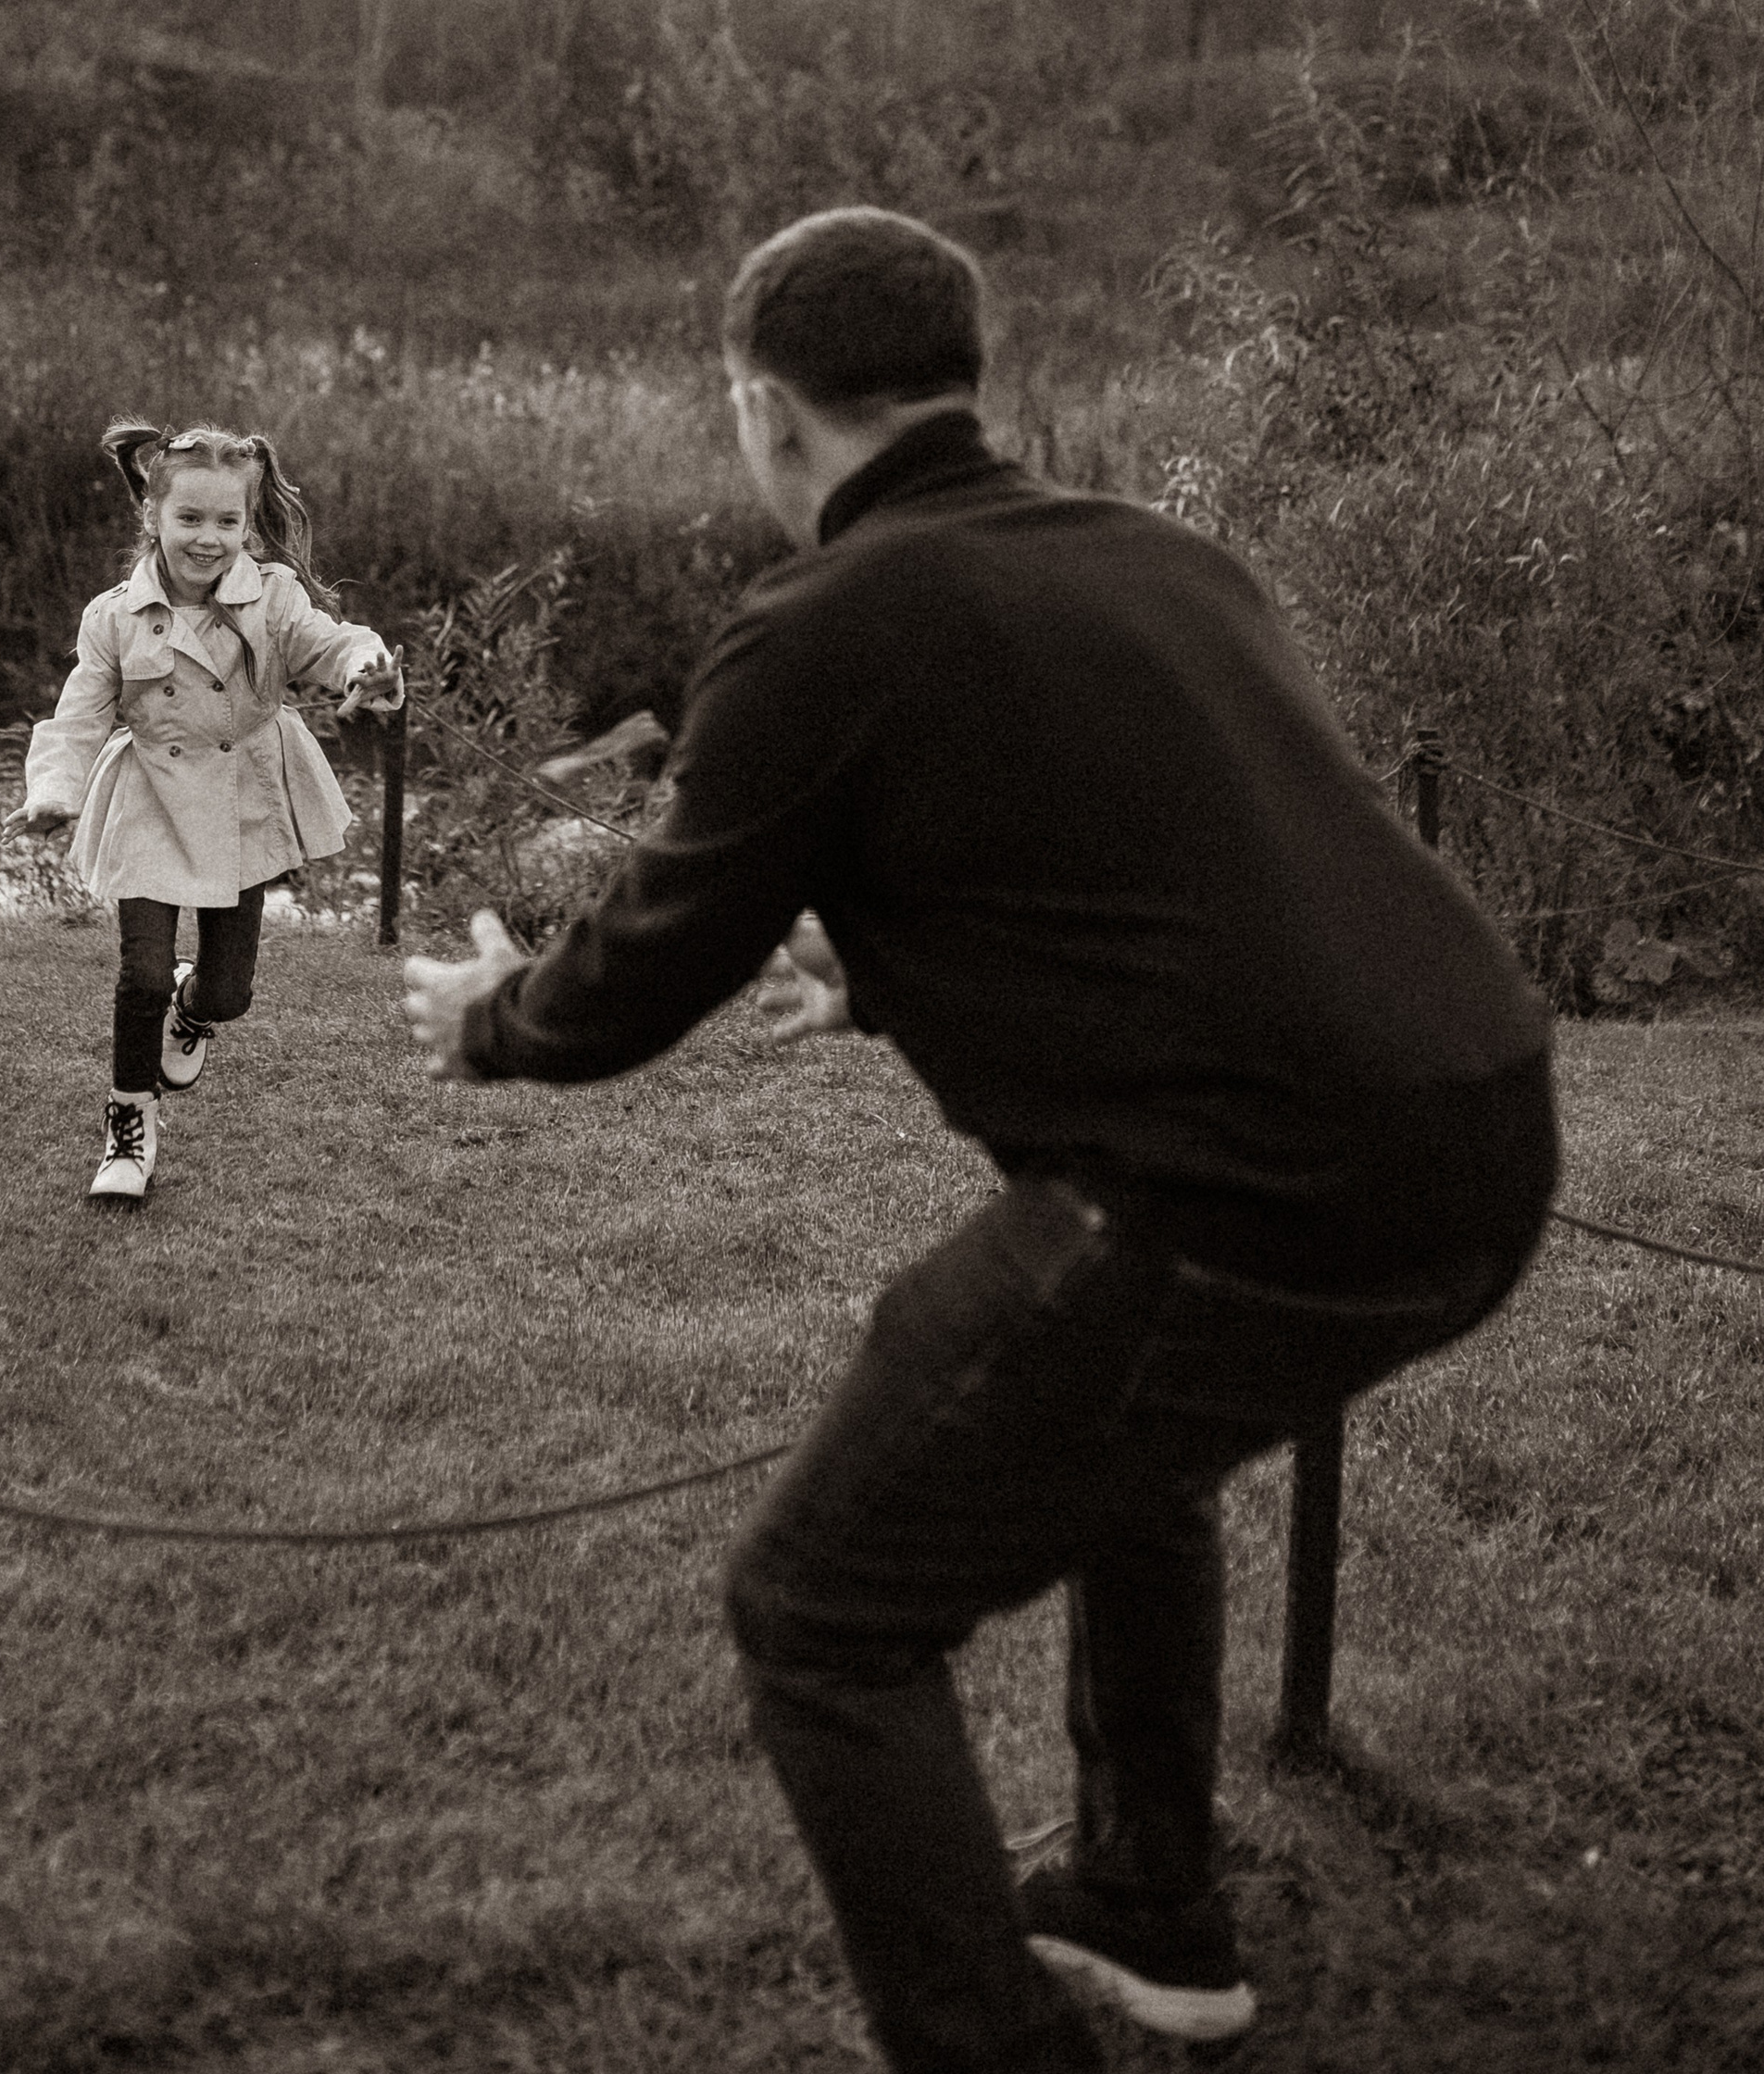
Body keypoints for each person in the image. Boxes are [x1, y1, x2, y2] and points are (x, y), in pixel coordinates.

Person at [401, 206, 1557, 2073]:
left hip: (1231, 1191)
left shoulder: (821, 619)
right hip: (1485, 1134)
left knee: (818, 1608)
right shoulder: (1160, 557)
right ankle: (1144, 1910)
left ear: (765, 415)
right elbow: (1169, 873)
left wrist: (494, 1025)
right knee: (1122, 1459)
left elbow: (636, 971)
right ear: (964, 379)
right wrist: (874, 978)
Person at [6, 420, 402, 1200]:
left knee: (229, 994)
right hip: (151, 793)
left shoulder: (274, 598)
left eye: (228, 522)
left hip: (242, 797)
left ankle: (196, 1009)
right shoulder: (114, 616)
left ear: (248, 525)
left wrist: (368, 665)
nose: (208, 538)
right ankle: (129, 1126)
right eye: (190, 519)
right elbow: (81, 715)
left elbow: (333, 642)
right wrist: (54, 792)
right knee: (142, 973)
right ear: (153, 517)